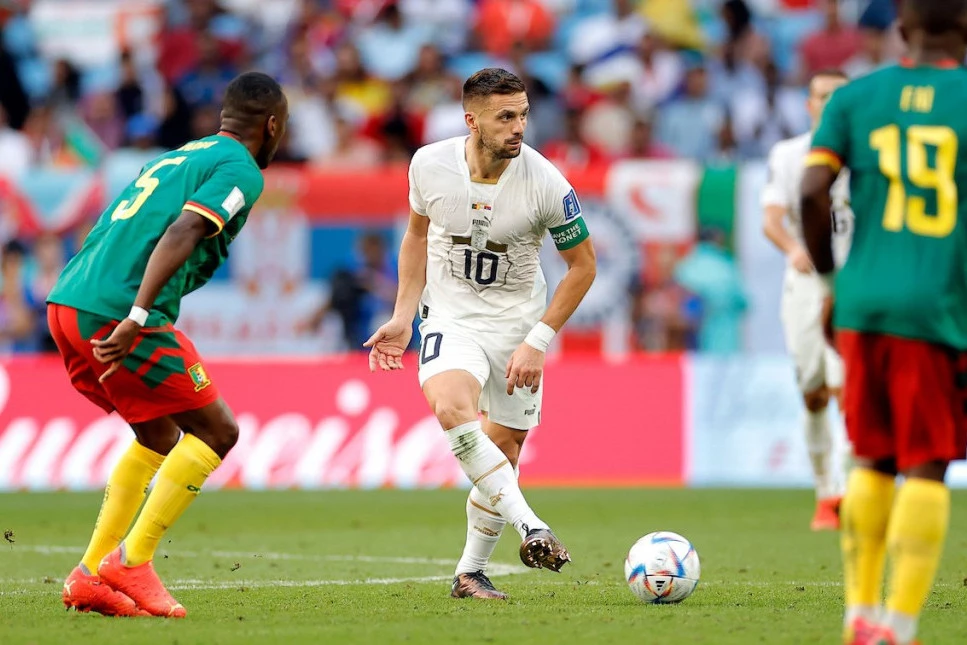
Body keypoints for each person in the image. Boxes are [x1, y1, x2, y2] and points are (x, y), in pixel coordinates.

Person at [49, 72, 288, 618]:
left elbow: (112, 226)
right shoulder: (240, 168)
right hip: (118, 310)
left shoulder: (177, 157)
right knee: (218, 431)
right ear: (272, 125)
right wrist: (136, 314)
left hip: (70, 300)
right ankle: (132, 561)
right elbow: (184, 230)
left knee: (157, 434)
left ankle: (90, 574)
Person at [364, 68, 596, 599]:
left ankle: (470, 572)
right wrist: (403, 315)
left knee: (504, 451)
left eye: (523, 115)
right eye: (505, 117)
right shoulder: (428, 164)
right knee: (452, 407)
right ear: (471, 121)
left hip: (517, 327)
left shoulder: (548, 184)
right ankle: (531, 525)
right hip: (450, 316)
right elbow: (416, 236)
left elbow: (583, 267)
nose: (519, 128)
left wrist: (538, 341)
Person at [801, 2, 967, 642]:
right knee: (926, 462)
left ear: (901, 29)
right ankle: (898, 624)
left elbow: (812, 192)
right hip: (936, 304)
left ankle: (860, 614)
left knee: (871, 456)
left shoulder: (854, 97)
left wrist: (829, 284)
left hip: (862, 301)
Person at [762, 68, 852, 531]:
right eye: (822, 95)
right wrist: (794, 248)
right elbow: (771, 218)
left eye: (839, 95)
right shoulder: (789, 154)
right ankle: (824, 490)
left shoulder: (866, 155)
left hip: (853, 283)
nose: (830, 102)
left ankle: (849, 496)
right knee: (814, 394)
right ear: (809, 103)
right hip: (805, 284)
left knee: (847, 390)